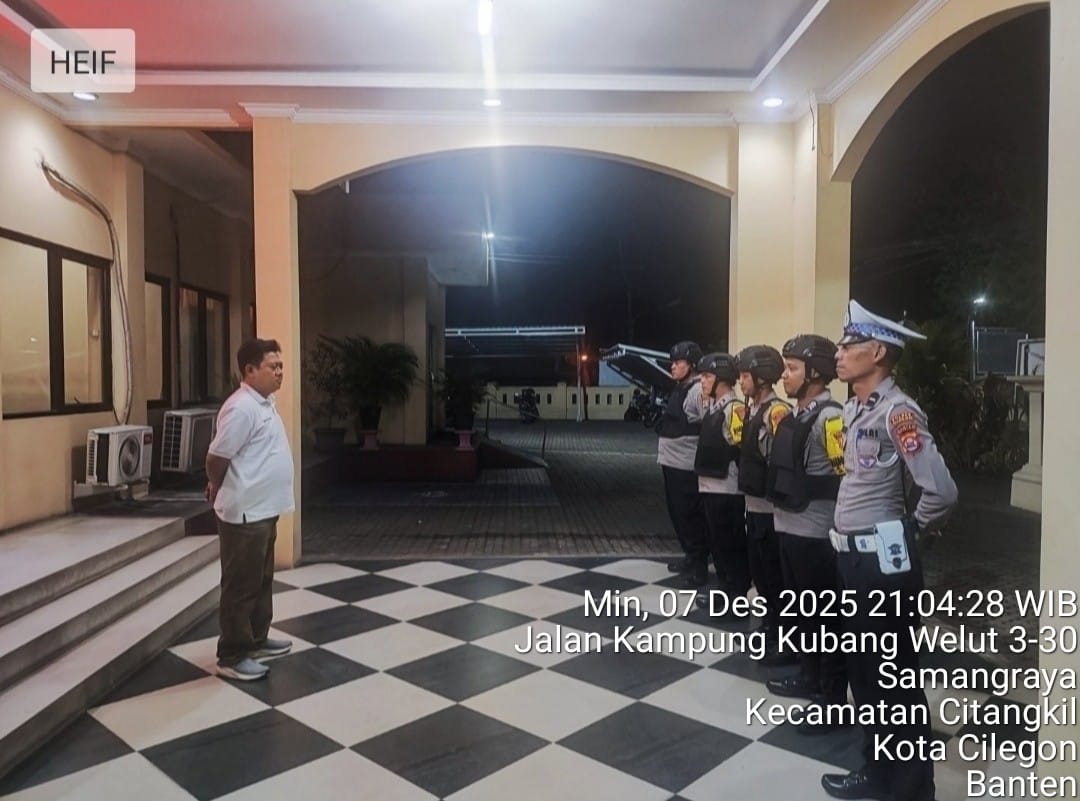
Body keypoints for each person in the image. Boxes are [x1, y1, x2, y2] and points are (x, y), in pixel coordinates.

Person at [820, 301, 958, 801]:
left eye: (848, 346)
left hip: (881, 564)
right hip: (854, 560)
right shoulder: (856, 409)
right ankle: (878, 772)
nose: (838, 354)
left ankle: (911, 790)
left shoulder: (898, 412)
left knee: (893, 683)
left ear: (877, 352)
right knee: (866, 677)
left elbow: (941, 491)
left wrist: (910, 533)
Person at [764, 335, 848, 726]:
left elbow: (845, 476)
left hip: (814, 534)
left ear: (815, 373)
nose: (785, 375)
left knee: (824, 621)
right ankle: (809, 676)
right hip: (789, 527)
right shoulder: (796, 414)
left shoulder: (831, 418)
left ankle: (831, 695)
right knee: (802, 614)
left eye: (792, 368)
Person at [206, 338, 296, 681]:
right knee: (241, 585)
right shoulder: (241, 407)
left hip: (263, 509)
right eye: (273, 366)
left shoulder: (264, 403)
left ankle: (256, 639)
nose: (279, 372)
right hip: (245, 513)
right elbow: (217, 457)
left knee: (261, 579)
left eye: (280, 366)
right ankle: (232, 655)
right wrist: (215, 484)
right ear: (249, 370)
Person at [733, 345, 792, 658]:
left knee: (775, 576)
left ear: (762, 377)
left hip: (770, 511)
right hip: (753, 507)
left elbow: (782, 460)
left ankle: (783, 634)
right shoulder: (753, 409)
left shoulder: (776, 412)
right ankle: (770, 626)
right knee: (762, 575)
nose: (741, 382)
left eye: (745, 376)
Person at [692, 352, 750, 604]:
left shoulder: (734, 409)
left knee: (730, 545)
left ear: (722, 379)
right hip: (711, 486)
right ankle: (724, 588)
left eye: (707, 376)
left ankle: (735, 595)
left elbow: (740, 449)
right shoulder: (715, 406)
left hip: (727, 489)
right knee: (718, 545)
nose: (702, 381)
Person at [658, 340, 710, 588]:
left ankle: (700, 566)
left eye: (678, 362)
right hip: (672, 464)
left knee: (690, 517)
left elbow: (709, 423)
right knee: (678, 514)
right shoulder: (682, 388)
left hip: (686, 467)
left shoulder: (698, 391)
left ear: (691, 365)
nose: (673, 367)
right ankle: (691, 556)